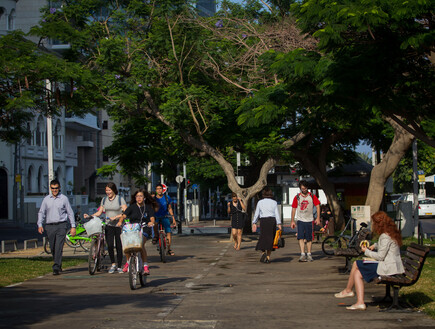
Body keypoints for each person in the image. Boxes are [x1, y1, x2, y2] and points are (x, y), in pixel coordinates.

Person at [334, 211, 404, 310]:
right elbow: (385, 246)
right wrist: (374, 245)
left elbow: (380, 256)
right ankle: (359, 302)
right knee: (357, 273)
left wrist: (366, 251)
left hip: (387, 267)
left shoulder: (385, 236)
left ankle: (348, 290)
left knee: (356, 263)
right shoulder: (391, 232)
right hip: (392, 265)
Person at [84, 182, 127, 274]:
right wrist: (89, 216)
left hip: (118, 225)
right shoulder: (104, 200)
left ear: (113, 190)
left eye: (109, 190)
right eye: (106, 190)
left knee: (119, 246)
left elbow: (125, 212)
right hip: (109, 225)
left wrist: (116, 217)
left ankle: (119, 266)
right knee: (110, 245)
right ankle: (113, 264)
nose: (108, 192)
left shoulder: (120, 199)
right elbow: (99, 213)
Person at [37, 179, 76, 275]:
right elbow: (41, 212)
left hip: (61, 225)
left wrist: (73, 226)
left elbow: (70, 213)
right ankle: (58, 263)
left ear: (59, 188)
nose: (54, 190)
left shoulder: (64, 199)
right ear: (50, 188)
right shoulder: (46, 199)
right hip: (50, 226)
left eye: (56, 188)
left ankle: (56, 267)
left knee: (59, 246)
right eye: (53, 188)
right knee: (53, 247)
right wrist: (40, 224)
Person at [118, 189, 157, 275]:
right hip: (133, 229)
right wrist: (120, 221)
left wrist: (151, 222)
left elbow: (152, 218)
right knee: (126, 244)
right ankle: (128, 262)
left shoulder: (148, 207)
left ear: (144, 198)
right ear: (135, 198)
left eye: (141, 196)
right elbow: (123, 215)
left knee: (141, 244)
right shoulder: (132, 207)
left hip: (144, 228)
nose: (139, 198)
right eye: (137, 196)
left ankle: (145, 265)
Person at [290, 180, 321, 262]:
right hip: (300, 220)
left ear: (307, 188)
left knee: (309, 238)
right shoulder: (297, 197)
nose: (303, 190)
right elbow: (293, 208)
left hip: (310, 220)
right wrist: (292, 220)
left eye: (305, 188)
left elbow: (318, 206)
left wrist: (318, 218)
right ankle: (302, 254)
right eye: (302, 188)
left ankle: (309, 254)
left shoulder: (312, 196)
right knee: (300, 237)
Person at [252, 187, 282, 263]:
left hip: (263, 221)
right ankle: (268, 258)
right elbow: (276, 214)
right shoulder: (274, 202)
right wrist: (279, 223)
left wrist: (254, 222)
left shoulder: (260, 202)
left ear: (263, 194)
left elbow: (257, 213)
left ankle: (263, 252)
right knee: (270, 239)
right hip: (272, 221)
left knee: (263, 237)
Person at [152, 183, 177, 256]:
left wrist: (173, 218)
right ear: (156, 190)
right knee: (155, 224)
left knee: (168, 232)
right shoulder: (154, 199)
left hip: (164, 216)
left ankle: (169, 249)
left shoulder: (167, 197)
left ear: (162, 190)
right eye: (157, 189)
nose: (159, 190)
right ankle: (156, 236)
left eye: (160, 189)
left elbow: (169, 208)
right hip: (156, 216)